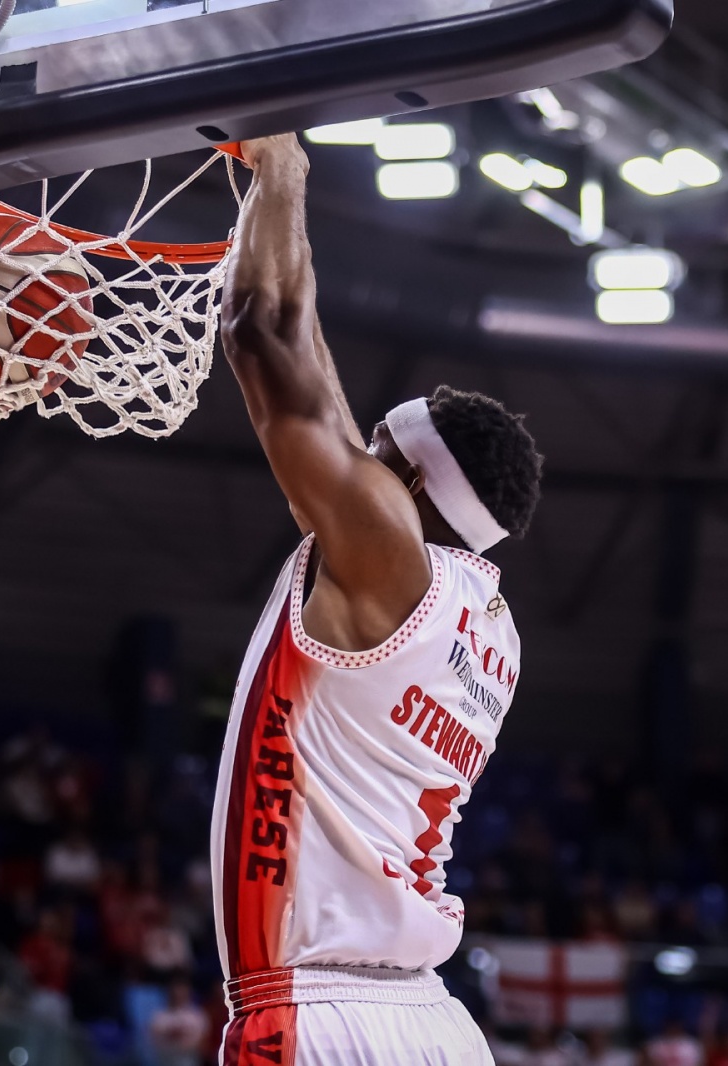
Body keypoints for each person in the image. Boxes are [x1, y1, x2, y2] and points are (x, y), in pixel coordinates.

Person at [209, 133, 544, 1064]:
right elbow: (316, 374)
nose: (362, 463)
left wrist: (284, 164)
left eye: (386, 459)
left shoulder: (386, 560)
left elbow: (260, 336)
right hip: (433, 1023)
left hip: (321, 1013)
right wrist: (286, 205)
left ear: (414, 489)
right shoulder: (487, 624)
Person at [148, 980, 210, 1066]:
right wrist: (171, 1035)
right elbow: (153, 1040)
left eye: (181, 990)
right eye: (175, 991)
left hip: (190, 1058)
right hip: (166, 1060)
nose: (178, 994)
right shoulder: (159, 1016)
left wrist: (185, 1039)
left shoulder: (197, 1015)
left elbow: (205, 1040)